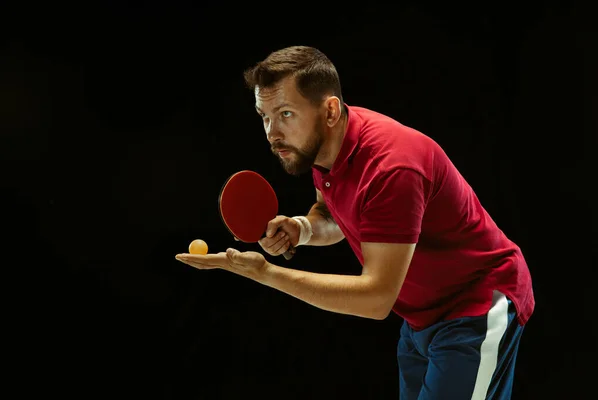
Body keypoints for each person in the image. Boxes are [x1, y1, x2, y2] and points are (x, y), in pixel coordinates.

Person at [175, 45, 534, 399]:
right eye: (264, 116)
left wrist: (264, 273)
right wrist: (303, 228)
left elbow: (376, 298)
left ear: (330, 110)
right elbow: (332, 213)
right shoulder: (323, 147)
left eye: (285, 114)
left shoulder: (393, 169)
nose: (271, 133)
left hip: (476, 303)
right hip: (420, 318)